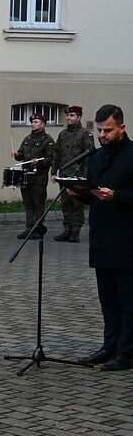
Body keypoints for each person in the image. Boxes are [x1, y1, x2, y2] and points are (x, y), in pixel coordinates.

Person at [73, 105, 133, 372]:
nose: (102, 135)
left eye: (108, 130)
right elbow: (93, 190)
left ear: (122, 127)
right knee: (107, 299)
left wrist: (117, 196)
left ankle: (127, 351)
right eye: (99, 130)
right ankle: (109, 346)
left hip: (128, 238)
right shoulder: (96, 157)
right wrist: (79, 192)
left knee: (128, 300)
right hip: (102, 237)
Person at [50, 106, 94, 243]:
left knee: (77, 203)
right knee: (65, 203)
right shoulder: (62, 134)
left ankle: (75, 231)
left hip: (78, 175)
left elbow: (89, 155)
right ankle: (67, 230)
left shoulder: (85, 133)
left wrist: (85, 176)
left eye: (72, 115)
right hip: (64, 175)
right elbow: (56, 154)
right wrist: (53, 172)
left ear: (79, 117)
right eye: (68, 115)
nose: (69, 118)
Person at [12, 112, 55, 239]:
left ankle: (37, 229)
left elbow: (51, 158)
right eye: (32, 122)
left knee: (38, 204)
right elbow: (21, 155)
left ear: (43, 124)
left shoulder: (47, 140)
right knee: (28, 204)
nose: (33, 124)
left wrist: (40, 162)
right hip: (26, 177)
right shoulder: (27, 139)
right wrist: (16, 155)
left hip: (38, 178)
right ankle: (29, 228)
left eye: (36, 122)